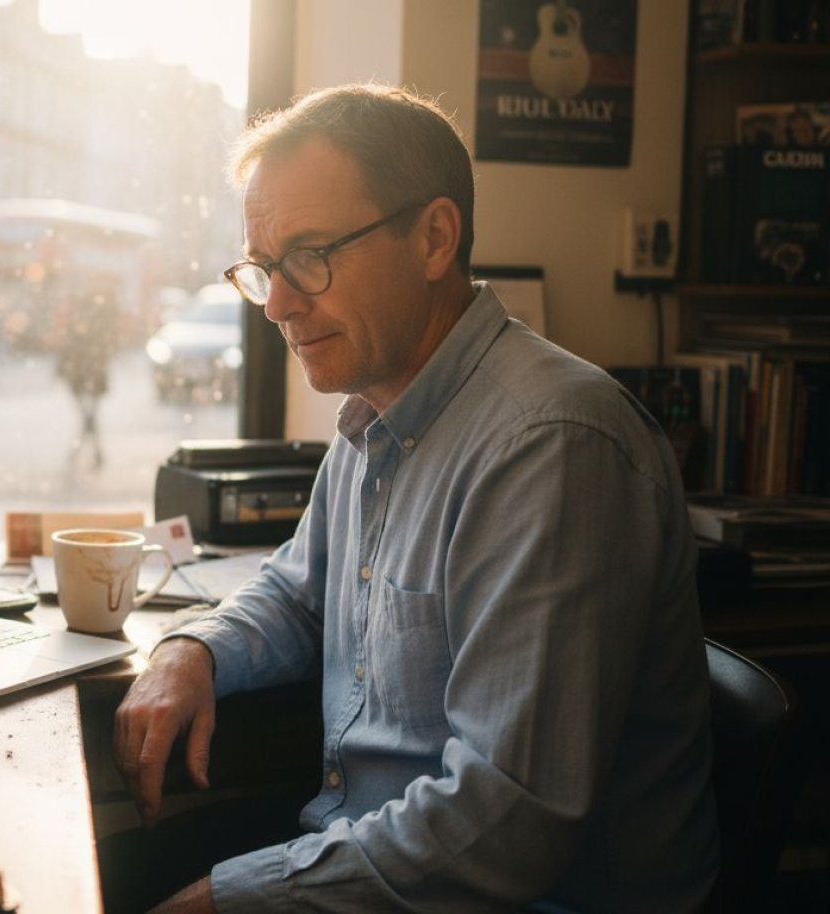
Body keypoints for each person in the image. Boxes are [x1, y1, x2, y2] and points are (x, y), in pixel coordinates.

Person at [110, 84, 718, 913]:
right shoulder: (377, 411)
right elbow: (301, 590)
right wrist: (195, 649)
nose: (278, 304)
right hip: (366, 844)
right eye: (265, 268)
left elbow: (504, 824)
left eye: (310, 255)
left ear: (434, 238)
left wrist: (228, 901)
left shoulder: (551, 446)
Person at [56, 283, 119, 470]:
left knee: (88, 416)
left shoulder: (82, 322)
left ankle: (87, 452)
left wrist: (64, 369)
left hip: (83, 375)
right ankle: (95, 452)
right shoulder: (97, 322)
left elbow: (69, 348)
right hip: (87, 375)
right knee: (89, 416)